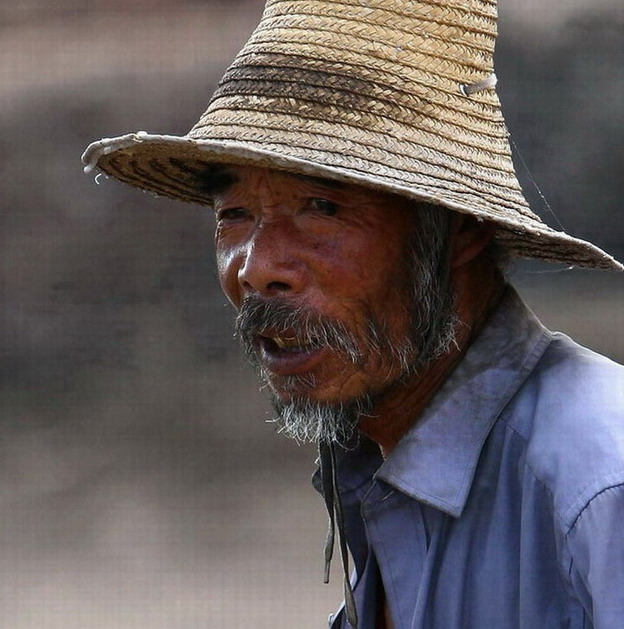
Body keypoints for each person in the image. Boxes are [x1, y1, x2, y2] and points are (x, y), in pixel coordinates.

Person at [82, 1, 624, 627]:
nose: (256, 269)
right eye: (234, 215)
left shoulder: (598, 487)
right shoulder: (382, 474)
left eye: (322, 207)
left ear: (459, 231)